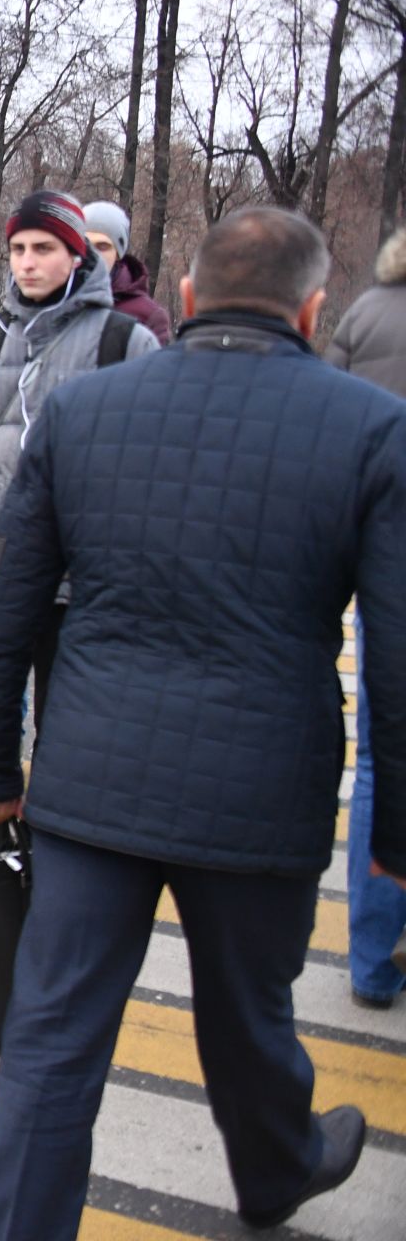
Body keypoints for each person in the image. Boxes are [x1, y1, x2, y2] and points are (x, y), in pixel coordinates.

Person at [0, 206, 406, 1237]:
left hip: (91, 782)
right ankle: (279, 1169)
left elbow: (7, 604)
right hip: (262, 791)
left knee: (54, 1036)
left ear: (189, 297)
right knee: (250, 1014)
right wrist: (398, 836)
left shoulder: (86, 412)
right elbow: (398, 645)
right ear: (315, 308)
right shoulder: (373, 427)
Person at [0, 190, 159, 762]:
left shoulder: (126, 343)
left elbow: (147, 473)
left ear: (75, 255)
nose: (27, 261)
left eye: (43, 248)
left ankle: (46, 834)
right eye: (18, 248)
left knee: (66, 721)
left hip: (80, 570)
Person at [326, 223, 406, 1009]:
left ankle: (373, 959)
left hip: (385, 557)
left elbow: (328, 431)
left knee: (383, 757)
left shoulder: (369, 313)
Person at [82, 200, 174, 344]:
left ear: (118, 253)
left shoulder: (148, 316)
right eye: (85, 245)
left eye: (102, 247)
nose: (92, 255)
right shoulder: (58, 302)